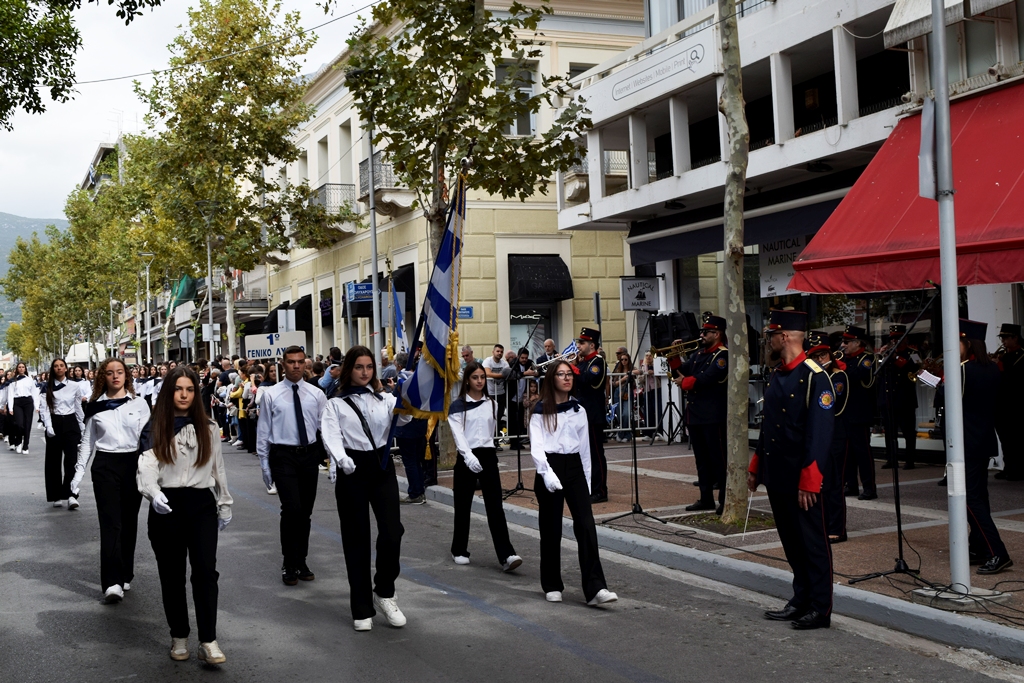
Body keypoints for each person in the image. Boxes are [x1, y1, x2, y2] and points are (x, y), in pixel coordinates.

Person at [137, 367, 232, 664]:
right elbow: (147, 465)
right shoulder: (155, 427)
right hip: (168, 505)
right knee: (172, 575)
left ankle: (209, 639)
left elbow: (218, 468)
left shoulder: (207, 426)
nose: (184, 395)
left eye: (190, 389)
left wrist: (224, 502)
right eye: (178, 389)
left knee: (205, 572)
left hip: (201, 504)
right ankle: (179, 635)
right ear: (169, 392)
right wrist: (154, 493)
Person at [748, 310, 835, 630]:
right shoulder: (778, 373)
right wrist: (757, 465)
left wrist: (810, 479)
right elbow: (770, 425)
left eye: (771, 335)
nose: (768, 340)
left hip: (802, 476)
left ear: (784, 336)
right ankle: (801, 598)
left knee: (812, 542)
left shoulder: (816, 375)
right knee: (791, 541)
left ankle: (820, 607)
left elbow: (821, 431)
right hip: (778, 472)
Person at [321, 345, 407, 631]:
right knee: (357, 539)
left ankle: (384, 592)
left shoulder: (385, 399)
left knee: (392, 532)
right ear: (349, 369)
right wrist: (341, 459)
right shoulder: (335, 403)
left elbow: (406, 416)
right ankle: (361, 606)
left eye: (369, 367)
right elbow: (331, 435)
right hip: (352, 469)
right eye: (359, 367)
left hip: (381, 466)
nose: (365, 372)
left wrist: (409, 396)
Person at [529, 358, 617, 607]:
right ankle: (552, 584)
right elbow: (536, 448)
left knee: (587, 526)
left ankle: (595, 588)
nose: (567, 378)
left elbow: (586, 451)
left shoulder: (580, 410)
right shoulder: (540, 410)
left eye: (570, 374)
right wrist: (546, 473)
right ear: (551, 379)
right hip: (550, 467)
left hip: (575, 468)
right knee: (551, 527)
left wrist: (587, 485)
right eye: (561, 374)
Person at [70, 358, 152, 603]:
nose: (115, 376)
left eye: (119, 372)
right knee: (110, 523)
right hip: (105, 465)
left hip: (133, 464)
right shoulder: (95, 407)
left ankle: (125, 571)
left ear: (126, 375)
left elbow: (149, 441)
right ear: (102, 377)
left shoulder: (140, 404)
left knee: (128, 522)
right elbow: (87, 442)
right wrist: (78, 474)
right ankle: (112, 582)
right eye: (109, 373)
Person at [256, 346, 327, 585]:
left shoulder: (316, 394)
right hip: (283, 455)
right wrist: (264, 463)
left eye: (299, 362)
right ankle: (289, 562)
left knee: (305, 512)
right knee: (291, 509)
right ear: (282, 365)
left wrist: (332, 459)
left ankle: (301, 560)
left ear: (305, 364)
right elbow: (264, 429)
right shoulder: (271, 394)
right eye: (290, 362)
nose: (295, 366)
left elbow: (324, 428)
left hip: (309, 455)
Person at [448, 361, 522, 571]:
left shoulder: (493, 404)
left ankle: (506, 554)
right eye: (475, 377)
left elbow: (491, 432)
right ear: (468, 380)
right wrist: (468, 456)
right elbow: (459, 435)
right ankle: (459, 549)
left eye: (482, 377)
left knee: (495, 506)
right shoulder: (458, 406)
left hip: (488, 456)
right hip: (467, 456)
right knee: (463, 506)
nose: (480, 381)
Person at [955, 319, 1013, 574]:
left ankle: (997, 551)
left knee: (969, 498)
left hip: (966, 442)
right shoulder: (991, 368)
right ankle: (978, 544)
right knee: (980, 496)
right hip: (983, 439)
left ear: (967, 343)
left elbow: (952, 400)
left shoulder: (964, 370)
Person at [671, 316, 728, 514]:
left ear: (717, 334)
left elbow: (708, 378)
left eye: (706, 332)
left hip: (714, 416)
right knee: (701, 460)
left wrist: (685, 382)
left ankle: (724, 500)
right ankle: (706, 498)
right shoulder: (697, 354)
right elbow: (680, 371)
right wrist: (673, 355)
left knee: (719, 460)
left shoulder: (722, 356)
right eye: (702, 332)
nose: (701, 335)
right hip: (695, 415)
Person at [807, 332, 850, 544]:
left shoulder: (837, 377)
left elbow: (833, 406)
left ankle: (838, 528)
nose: (819, 360)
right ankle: (824, 524)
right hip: (821, 437)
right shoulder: (816, 377)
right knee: (821, 483)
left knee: (834, 485)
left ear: (830, 355)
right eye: (815, 356)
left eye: (822, 355)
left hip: (836, 437)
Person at [40, 358, 88, 510]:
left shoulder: (75, 386)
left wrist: (82, 427)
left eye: (62, 366)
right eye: (56, 366)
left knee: (72, 460)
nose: (59, 368)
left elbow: (78, 407)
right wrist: (48, 426)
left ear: (67, 369)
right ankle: (55, 495)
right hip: (54, 422)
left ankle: (71, 494)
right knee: (53, 461)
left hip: (70, 423)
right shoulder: (46, 387)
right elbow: (44, 408)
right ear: (52, 369)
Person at [839, 325, 877, 500]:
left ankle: (869, 487)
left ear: (857, 342)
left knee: (862, 452)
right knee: (847, 453)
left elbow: (857, 375)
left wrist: (839, 365)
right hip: (844, 412)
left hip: (860, 412)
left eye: (846, 342)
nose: (843, 345)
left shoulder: (867, 358)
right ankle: (851, 484)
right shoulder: (844, 359)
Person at [878, 324, 919, 470]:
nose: (895, 342)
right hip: (889, 399)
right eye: (893, 339)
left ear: (905, 338)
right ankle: (891, 459)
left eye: (898, 338)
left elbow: (915, 369)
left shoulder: (912, 353)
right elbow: (879, 373)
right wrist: (880, 356)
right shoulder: (888, 354)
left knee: (908, 432)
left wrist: (895, 357)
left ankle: (910, 460)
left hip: (905, 399)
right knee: (890, 432)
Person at [994, 323, 1024, 481]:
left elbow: (1015, 379)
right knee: (1005, 438)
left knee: (1016, 438)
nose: (1003, 341)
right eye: (1002, 338)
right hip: (1002, 404)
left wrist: (1000, 367)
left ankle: (1017, 469)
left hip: (1016, 404)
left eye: (1006, 338)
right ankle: (1008, 467)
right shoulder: (1004, 355)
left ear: (1015, 338)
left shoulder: (1021, 355)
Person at [507, 347, 537, 451]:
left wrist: (535, 373)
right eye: (522, 357)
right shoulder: (513, 363)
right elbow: (512, 375)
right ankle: (513, 443)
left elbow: (537, 370)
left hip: (522, 397)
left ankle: (519, 441)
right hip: (512, 397)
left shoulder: (529, 363)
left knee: (520, 420)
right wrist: (525, 373)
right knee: (512, 421)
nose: (524, 359)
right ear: (518, 356)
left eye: (526, 358)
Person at [7, 361, 40, 454]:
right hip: (17, 402)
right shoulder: (13, 381)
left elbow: (34, 393)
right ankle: (18, 441)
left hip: (28, 402)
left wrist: (37, 406)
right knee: (19, 424)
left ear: (25, 369)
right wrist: (10, 408)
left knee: (27, 424)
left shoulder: (29, 380)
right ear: (17, 369)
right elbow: (10, 395)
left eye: (23, 367)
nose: (21, 369)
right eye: (19, 367)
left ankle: (26, 445)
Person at [482, 344, 510, 442]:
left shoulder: (504, 363)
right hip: (490, 393)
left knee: (498, 417)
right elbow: (487, 373)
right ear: (493, 352)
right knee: (490, 418)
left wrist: (501, 375)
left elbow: (508, 373)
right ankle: (488, 440)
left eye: (501, 352)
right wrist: (502, 375)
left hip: (501, 393)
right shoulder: (488, 361)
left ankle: (496, 441)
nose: (499, 353)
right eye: (497, 351)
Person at [610, 346, 634, 442]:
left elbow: (640, 371)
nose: (623, 361)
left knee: (626, 414)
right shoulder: (617, 368)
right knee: (619, 414)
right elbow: (614, 382)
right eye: (622, 359)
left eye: (625, 359)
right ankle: (625, 433)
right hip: (618, 392)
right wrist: (623, 379)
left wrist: (630, 373)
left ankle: (624, 433)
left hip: (627, 392)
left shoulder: (632, 368)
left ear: (628, 360)